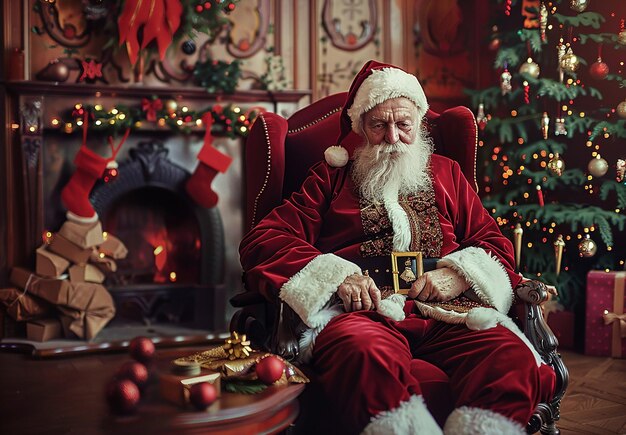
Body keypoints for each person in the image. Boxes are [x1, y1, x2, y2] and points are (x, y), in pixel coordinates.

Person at [239, 60, 556, 434]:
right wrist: (338, 276)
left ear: (418, 124)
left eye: (403, 124)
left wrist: (458, 275)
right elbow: (265, 238)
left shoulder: (446, 173)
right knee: (363, 354)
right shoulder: (330, 177)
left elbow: (492, 242)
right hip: (362, 312)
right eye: (379, 125)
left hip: (451, 311)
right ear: (360, 128)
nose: (392, 137)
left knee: (511, 357)